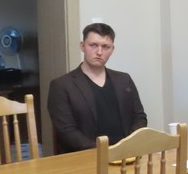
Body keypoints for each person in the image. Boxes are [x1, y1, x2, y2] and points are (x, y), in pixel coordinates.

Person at [47, 23, 147, 153]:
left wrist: (128, 145)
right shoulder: (61, 85)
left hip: (126, 154)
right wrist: (103, 152)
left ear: (112, 50)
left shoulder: (124, 80)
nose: (99, 52)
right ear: (82, 46)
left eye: (105, 47)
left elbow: (139, 117)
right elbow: (66, 131)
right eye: (93, 45)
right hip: (86, 156)